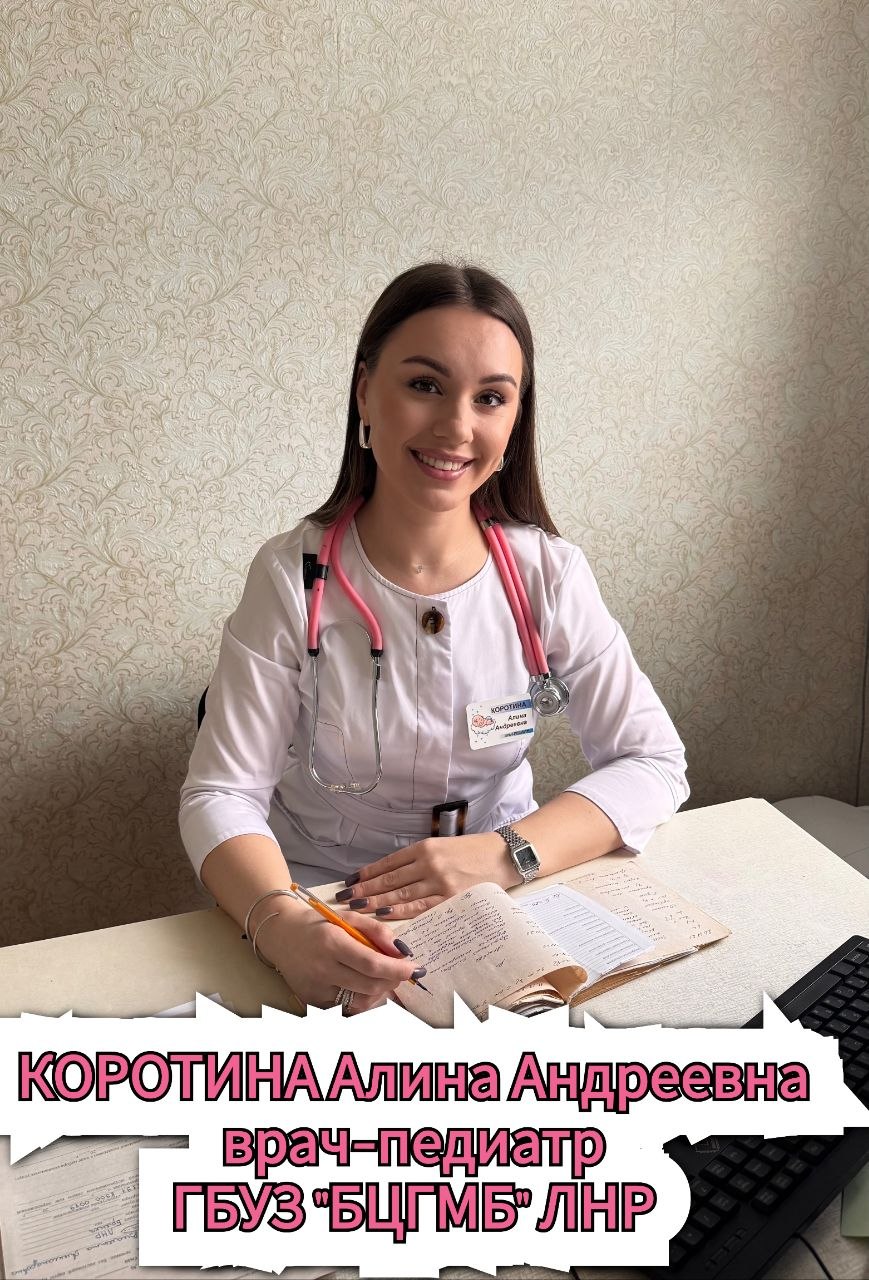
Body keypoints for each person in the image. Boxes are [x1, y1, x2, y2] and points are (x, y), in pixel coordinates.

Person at [179, 261, 689, 1015]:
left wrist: (506, 854)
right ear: (365, 393)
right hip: (328, 899)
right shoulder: (292, 576)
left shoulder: (548, 574)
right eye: (425, 385)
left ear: (515, 420)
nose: (457, 427)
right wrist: (281, 926)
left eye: (490, 398)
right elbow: (220, 792)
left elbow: (652, 761)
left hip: (499, 897)